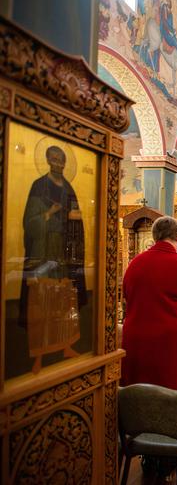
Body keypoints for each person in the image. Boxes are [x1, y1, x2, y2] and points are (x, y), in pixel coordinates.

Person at [20, 145, 86, 373]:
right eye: (55, 159)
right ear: (48, 161)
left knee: (65, 301)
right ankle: (38, 356)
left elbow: (77, 220)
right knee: (41, 303)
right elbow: (30, 222)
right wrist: (48, 214)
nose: (58, 164)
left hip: (64, 253)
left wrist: (72, 218)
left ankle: (66, 345)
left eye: (62, 160)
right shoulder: (39, 186)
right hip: (43, 251)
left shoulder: (68, 188)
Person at [121, 216, 177, 392]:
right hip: (170, 339)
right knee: (171, 386)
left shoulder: (135, 263)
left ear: (154, 236)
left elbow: (127, 294)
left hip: (136, 335)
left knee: (138, 390)